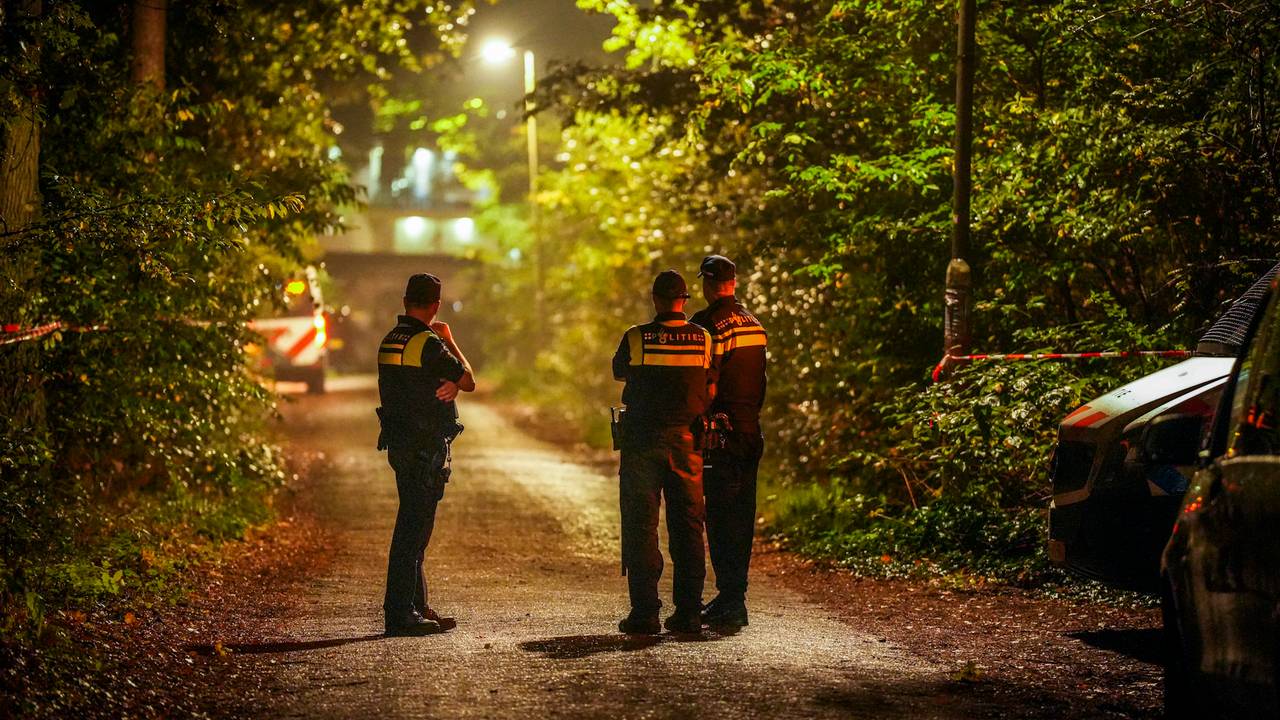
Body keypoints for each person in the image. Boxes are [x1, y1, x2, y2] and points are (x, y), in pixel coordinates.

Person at [611, 270, 715, 635]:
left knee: (641, 526)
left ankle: (645, 613)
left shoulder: (636, 337)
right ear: (684, 300)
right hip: (688, 443)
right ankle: (689, 613)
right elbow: (709, 381)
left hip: (642, 443)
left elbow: (619, 372)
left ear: (655, 299)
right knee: (689, 526)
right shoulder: (703, 338)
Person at [376, 273, 475, 636]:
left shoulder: (391, 339)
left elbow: (416, 383)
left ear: (405, 302)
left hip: (400, 443)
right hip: (424, 446)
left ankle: (416, 606)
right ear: (436, 306)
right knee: (413, 530)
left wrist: (446, 382)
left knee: (415, 526)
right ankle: (400, 612)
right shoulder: (429, 343)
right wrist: (449, 339)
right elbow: (468, 380)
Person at [689, 254, 767, 629]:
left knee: (720, 517)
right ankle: (734, 596)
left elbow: (707, 380)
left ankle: (731, 600)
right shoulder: (755, 323)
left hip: (722, 434)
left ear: (707, 284)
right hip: (751, 430)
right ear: (733, 283)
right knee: (743, 515)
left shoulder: (707, 325)